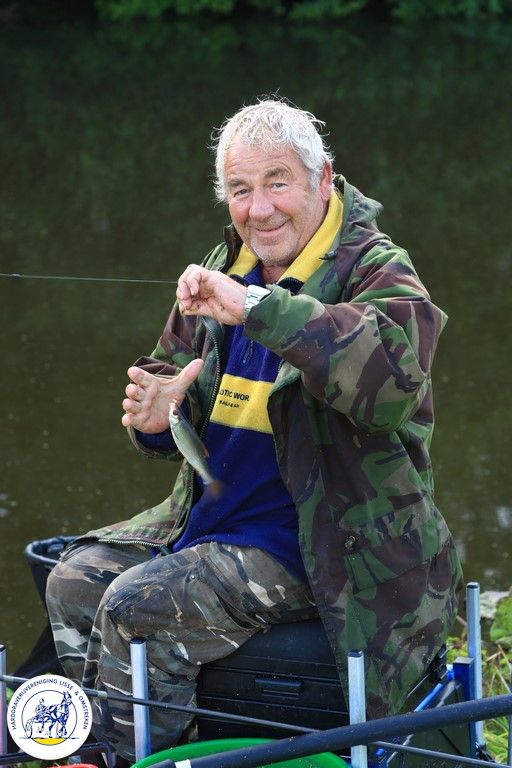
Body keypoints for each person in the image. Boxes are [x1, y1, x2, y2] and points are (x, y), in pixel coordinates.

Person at [46, 97, 463, 761]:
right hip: (217, 520)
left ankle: (137, 758)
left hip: (331, 541)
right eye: (240, 189)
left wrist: (258, 307)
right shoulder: (226, 262)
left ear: (322, 180)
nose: (259, 209)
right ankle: (99, 746)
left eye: (277, 183)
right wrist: (158, 417)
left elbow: (388, 385)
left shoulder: (378, 269)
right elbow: (170, 376)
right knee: (73, 579)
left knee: (136, 606)